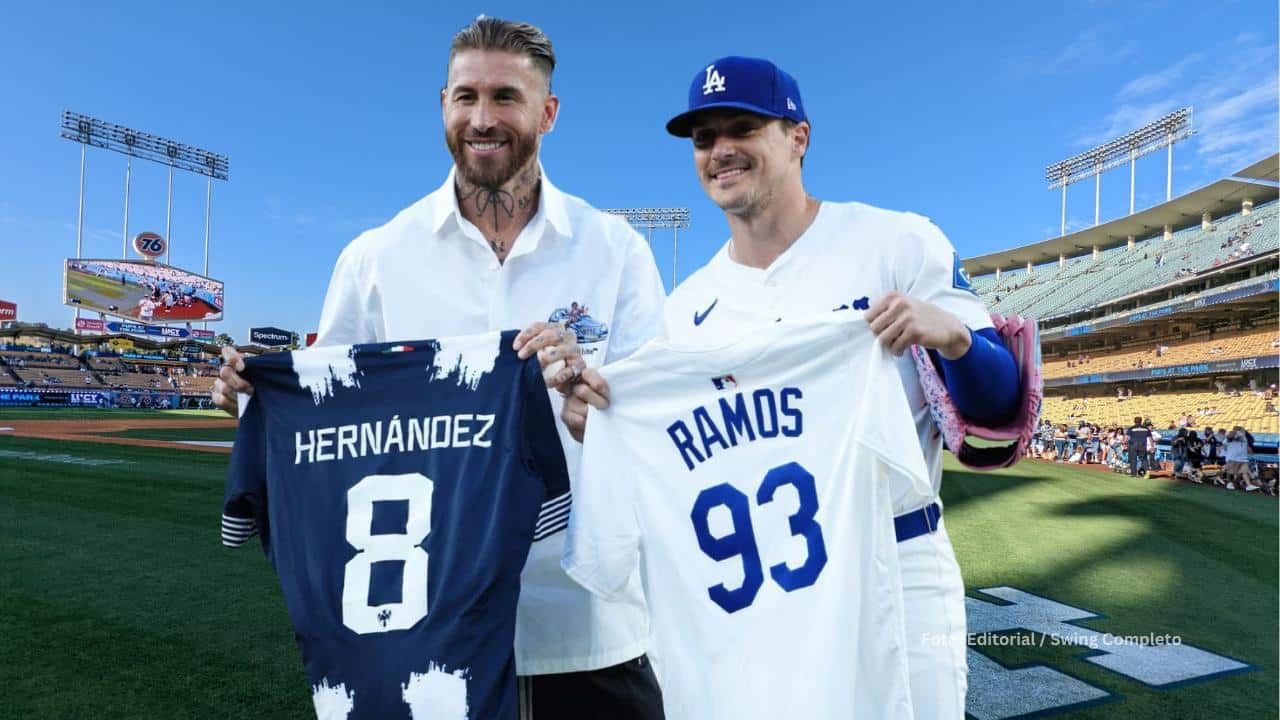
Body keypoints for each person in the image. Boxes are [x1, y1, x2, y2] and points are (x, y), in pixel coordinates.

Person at [212, 17, 665, 718]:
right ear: (443, 105)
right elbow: (327, 423)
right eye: (466, 97)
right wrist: (252, 399)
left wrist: (595, 415)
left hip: (585, 627)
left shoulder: (616, 251)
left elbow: (660, 430)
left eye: (506, 97)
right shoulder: (376, 258)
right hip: (426, 642)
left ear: (547, 112)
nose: (483, 119)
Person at [562, 56, 1022, 719]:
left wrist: (953, 339)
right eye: (703, 138)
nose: (720, 150)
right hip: (752, 590)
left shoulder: (895, 241)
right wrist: (603, 423)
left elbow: (1001, 403)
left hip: (896, 559)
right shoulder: (684, 312)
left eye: (742, 128)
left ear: (798, 136)